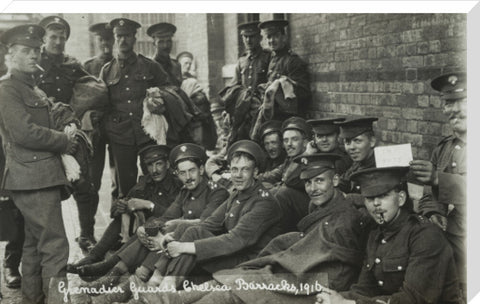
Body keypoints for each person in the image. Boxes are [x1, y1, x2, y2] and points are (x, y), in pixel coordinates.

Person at [136, 153, 368, 304]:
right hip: (286, 266)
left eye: (320, 181)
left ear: (336, 181)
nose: (313, 188)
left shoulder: (344, 217)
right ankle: (165, 296)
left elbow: (339, 265)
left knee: (230, 292)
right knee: (225, 282)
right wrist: (179, 229)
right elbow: (210, 224)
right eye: (308, 182)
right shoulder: (321, 205)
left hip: (306, 280)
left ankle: (163, 297)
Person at [82, 143, 230, 303]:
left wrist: (167, 231)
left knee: (173, 228)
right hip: (178, 246)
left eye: (192, 170)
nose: (188, 177)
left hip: (200, 251)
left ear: (201, 170)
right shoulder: (185, 191)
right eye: (182, 173)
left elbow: (204, 224)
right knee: (155, 228)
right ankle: (114, 277)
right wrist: (144, 229)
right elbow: (167, 217)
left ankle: (128, 284)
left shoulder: (217, 192)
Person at [0, 24, 78, 304]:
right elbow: (24, 132)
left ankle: (33, 299)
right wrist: (63, 141)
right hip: (33, 177)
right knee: (56, 247)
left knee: (34, 246)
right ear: (11, 54)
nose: (33, 55)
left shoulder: (29, 87)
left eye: (35, 50)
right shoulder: (8, 88)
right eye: (25, 50)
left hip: (35, 176)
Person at [315, 166, 463, 304]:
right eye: (369, 198)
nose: (376, 204)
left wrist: (350, 303)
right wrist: (337, 297)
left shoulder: (425, 235)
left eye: (383, 196)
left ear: (401, 198)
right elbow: (365, 288)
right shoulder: (376, 234)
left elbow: (414, 299)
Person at [67, 145, 181, 275]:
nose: (154, 170)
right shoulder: (146, 182)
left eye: (159, 164)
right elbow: (115, 211)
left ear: (167, 164)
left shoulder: (177, 185)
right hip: (143, 234)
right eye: (150, 165)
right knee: (123, 217)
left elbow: (174, 216)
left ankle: (108, 265)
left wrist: (149, 205)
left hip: (161, 237)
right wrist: (121, 206)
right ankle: (94, 256)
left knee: (151, 221)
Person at [37, 15, 99, 252]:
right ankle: (15, 259)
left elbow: (95, 87)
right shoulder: (35, 64)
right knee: (38, 194)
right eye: (53, 37)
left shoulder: (71, 65)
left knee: (85, 186)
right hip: (41, 135)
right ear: (44, 39)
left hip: (69, 132)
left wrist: (77, 110)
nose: (58, 41)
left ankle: (86, 235)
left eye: (62, 37)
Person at [100, 17, 170, 199]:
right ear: (115, 38)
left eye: (127, 36)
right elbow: (102, 105)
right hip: (121, 137)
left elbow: (168, 91)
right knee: (126, 187)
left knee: (154, 181)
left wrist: (158, 101)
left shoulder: (150, 66)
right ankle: (128, 226)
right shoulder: (107, 71)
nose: (123, 40)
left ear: (134, 38)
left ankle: (152, 221)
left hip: (147, 134)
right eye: (119, 36)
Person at [411, 72, 467, 296]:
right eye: (448, 103)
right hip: (450, 245)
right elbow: (428, 195)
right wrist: (433, 211)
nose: (455, 110)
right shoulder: (443, 148)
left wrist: (437, 178)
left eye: (464, 102)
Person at [83, 21, 119, 216]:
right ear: (96, 41)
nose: (105, 44)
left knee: (119, 178)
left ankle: (116, 222)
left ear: (114, 40)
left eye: (109, 40)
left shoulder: (119, 63)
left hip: (116, 128)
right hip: (95, 130)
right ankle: (88, 227)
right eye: (101, 40)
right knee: (92, 178)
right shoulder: (88, 66)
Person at [219, 21, 270, 143]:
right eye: (245, 37)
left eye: (252, 36)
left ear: (260, 38)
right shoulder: (242, 61)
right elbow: (234, 85)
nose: (248, 40)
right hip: (243, 108)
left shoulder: (267, 57)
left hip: (259, 108)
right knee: (239, 138)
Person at [257, 19, 310, 121]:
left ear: (284, 37)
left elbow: (304, 93)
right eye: (269, 37)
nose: (272, 40)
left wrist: (283, 86)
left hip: (286, 118)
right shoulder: (272, 60)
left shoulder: (293, 61)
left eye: (276, 36)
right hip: (271, 115)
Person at [267, 117, 313, 233]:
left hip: (310, 208)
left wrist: (307, 154)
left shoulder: (310, 159)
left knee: (282, 193)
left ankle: (277, 234)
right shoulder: (291, 159)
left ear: (305, 142)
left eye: (294, 139)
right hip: (292, 208)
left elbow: (289, 180)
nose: (289, 144)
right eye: (286, 140)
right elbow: (275, 175)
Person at [176, 51, 217, 150]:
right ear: (179, 64)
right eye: (186, 63)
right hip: (186, 117)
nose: (188, 66)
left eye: (190, 63)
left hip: (198, 117)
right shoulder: (176, 79)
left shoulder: (192, 78)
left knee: (200, 141)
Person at [335, 117, 378, 194]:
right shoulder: (357, 164)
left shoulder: (380, 167)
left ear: (372, 141)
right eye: (347, 142)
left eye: (357, 141)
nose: (351, 147)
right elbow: (342, 183)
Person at [147, 22, 182, 86]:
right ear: (154, 44)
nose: (165, 46)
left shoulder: (176, 66)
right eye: (161, 42)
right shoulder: (148, 66)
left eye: (168, 41)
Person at [255, 120, 287, 187]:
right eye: (267, 144)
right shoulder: (265, 161)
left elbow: (275, 175)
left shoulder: (288, 159)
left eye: (273, 143)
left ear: (282, 143)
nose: (270, 148)